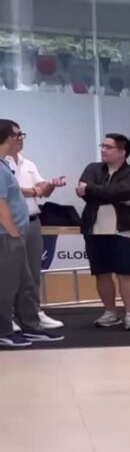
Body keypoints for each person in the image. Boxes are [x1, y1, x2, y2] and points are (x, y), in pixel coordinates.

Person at [0, 119, 62, 347]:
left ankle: (30, 326)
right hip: (7, 235)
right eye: (17, 134)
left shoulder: (7, 165)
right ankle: (4, 330)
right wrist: (13, 232)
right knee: (7, 285)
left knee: (26, 282)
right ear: (8, 137)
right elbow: (1, 204)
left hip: (19, 231)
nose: (20, 138)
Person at [78, 133, 130, 330]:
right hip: (94, 229)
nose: (103, 150)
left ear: (122, 152)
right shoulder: (93, 168)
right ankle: (110, 312)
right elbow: (82, 192)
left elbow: (124, 191)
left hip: (123, 229)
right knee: (101, 273)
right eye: (103, 146)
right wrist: (107, 193)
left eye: (108, 147)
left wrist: (92, 190)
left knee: (126, 273)